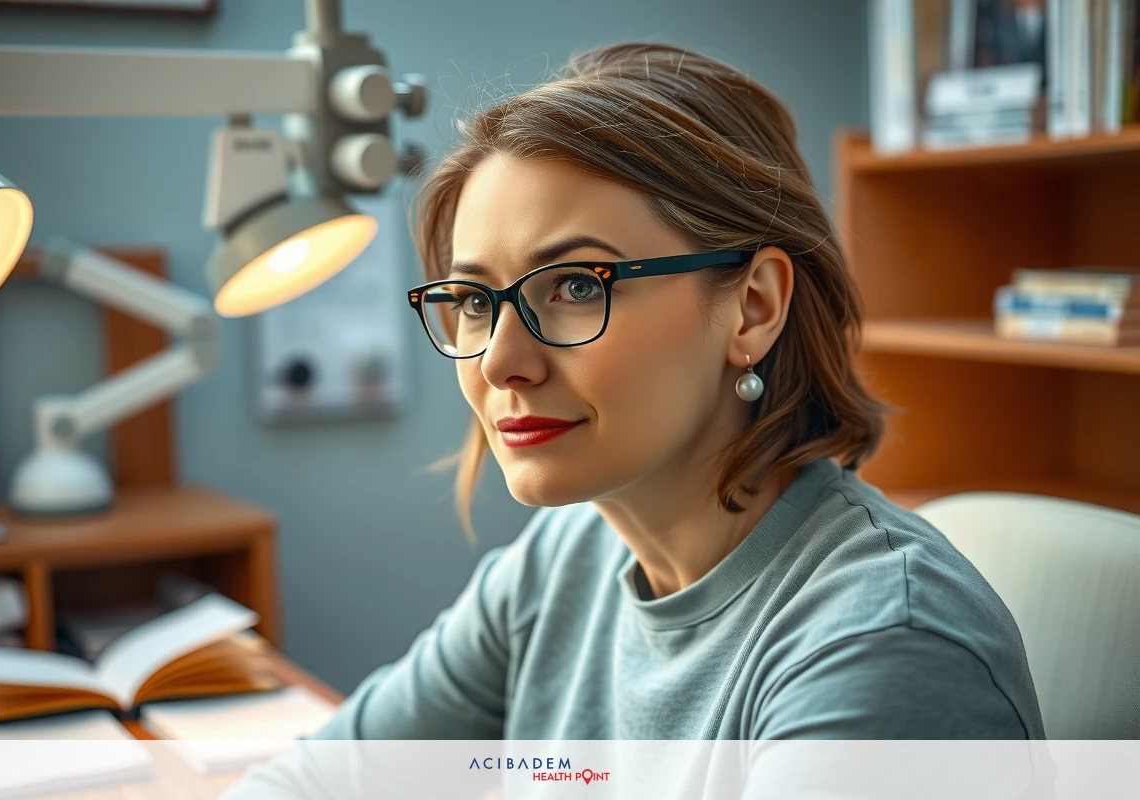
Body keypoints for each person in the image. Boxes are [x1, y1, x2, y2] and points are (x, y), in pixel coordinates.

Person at [225, 39, 1045, 798]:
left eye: (578, 284)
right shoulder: (567, 556)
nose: (501, 361)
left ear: (752, 309)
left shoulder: (884, 646)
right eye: (475, 301)